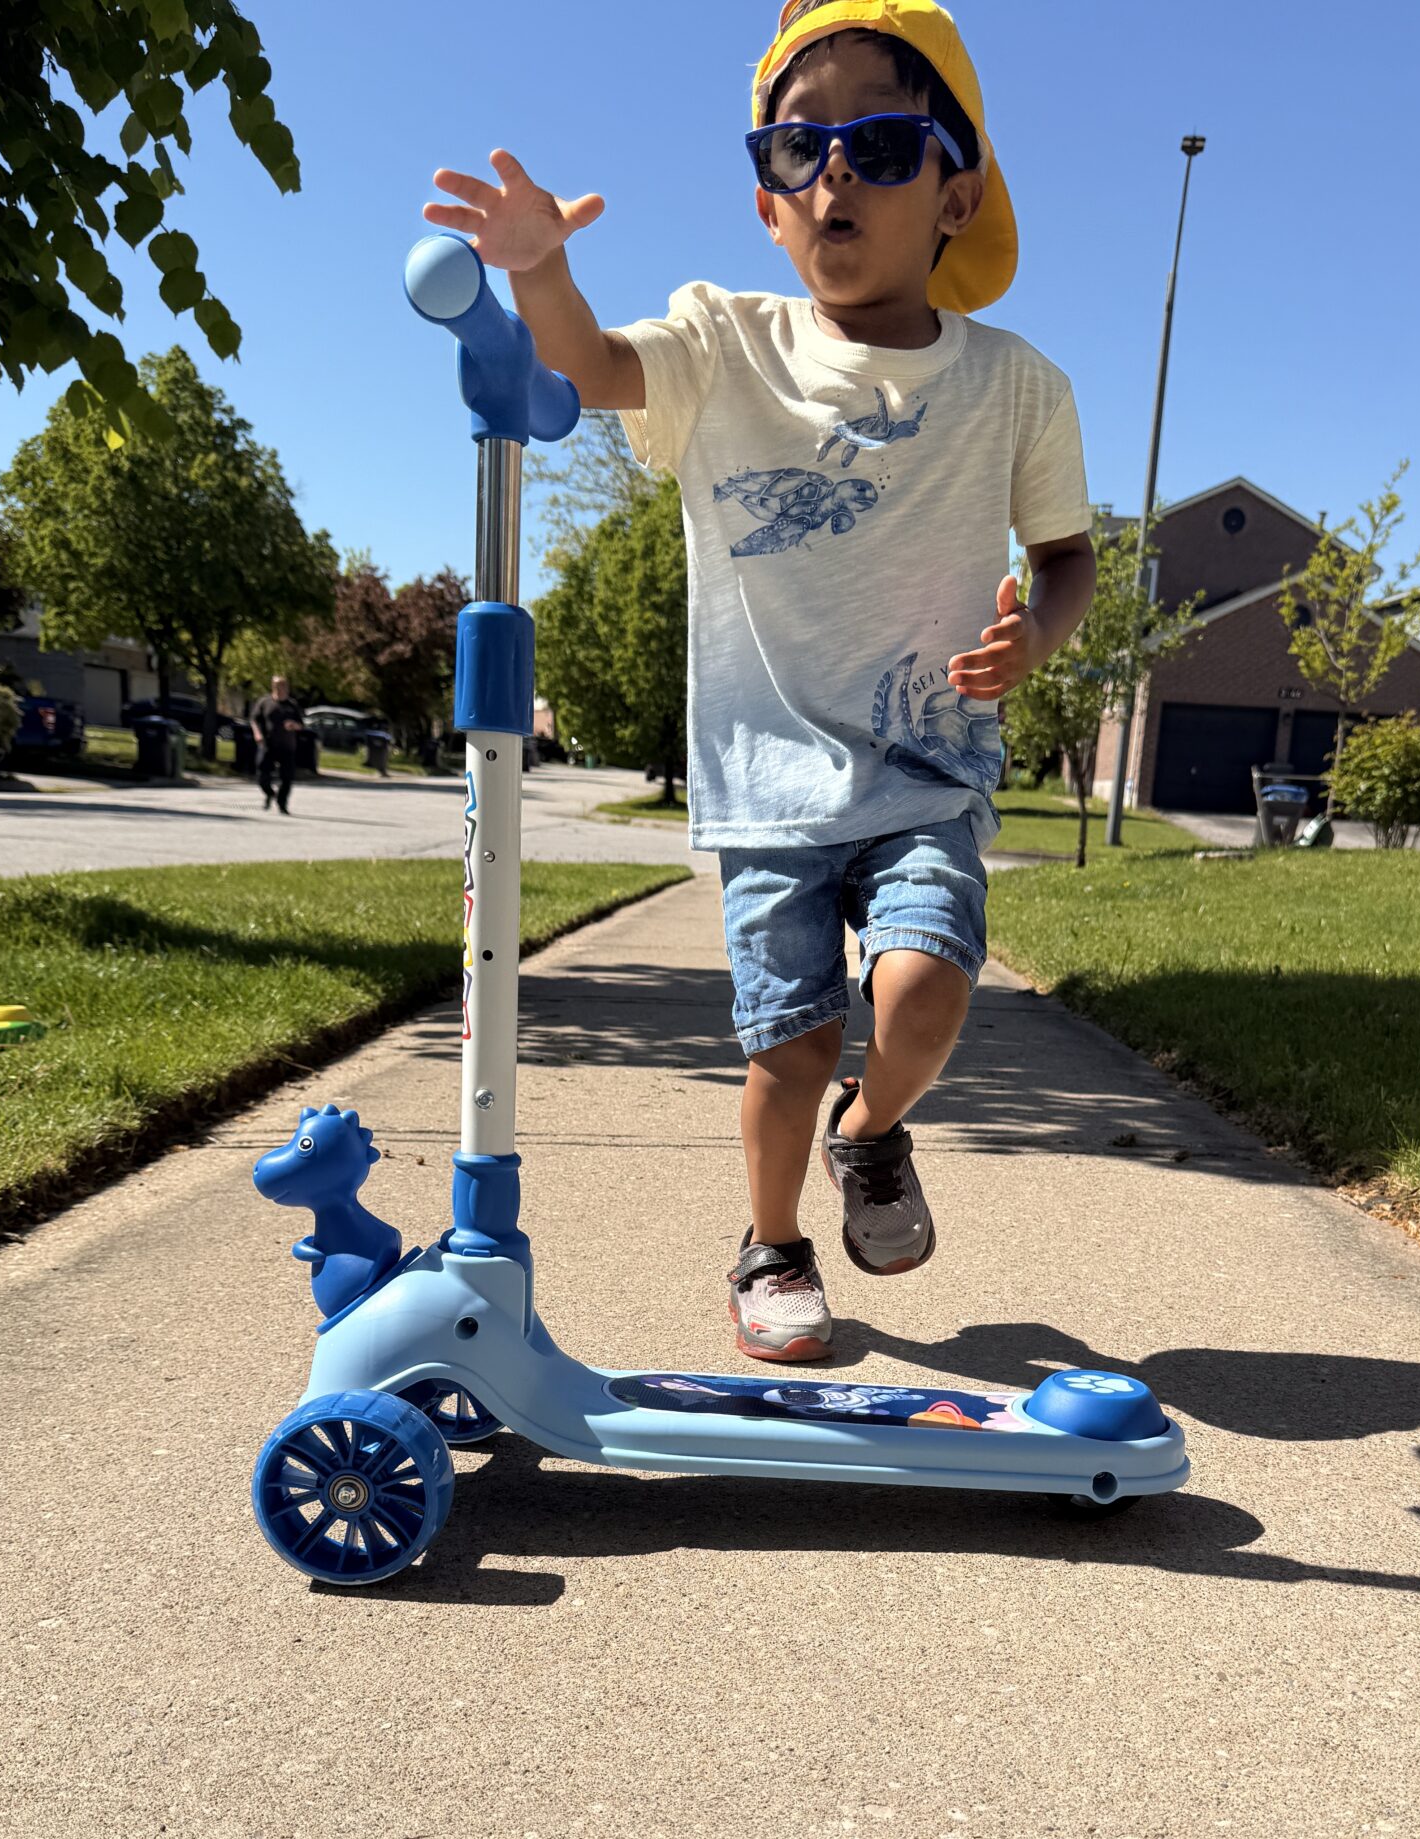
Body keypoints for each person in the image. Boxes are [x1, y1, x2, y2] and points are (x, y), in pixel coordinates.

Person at [426, 0, 1095, 1361]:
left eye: (882, 143)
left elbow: (1069, 557)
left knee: (921, 995)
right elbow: (591, 367)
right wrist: (542, 269)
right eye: (800, 149)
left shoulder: (1019, 388)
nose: (835, 172)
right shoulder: (724, 342)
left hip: (927, 770)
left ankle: (876, 1131)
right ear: (767, 200)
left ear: (956, 189)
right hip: (768, 778)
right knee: (787, 1043)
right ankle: (773, 1244)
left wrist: (1044, 635)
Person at [250, 674, 308, 813]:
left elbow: (301, 725)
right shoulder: (265, 702)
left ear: (287, 687)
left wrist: (294, 725)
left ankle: (282, 804)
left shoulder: (292, 705)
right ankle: (270, 793)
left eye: (283, 685)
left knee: (287, 777)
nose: (280, 688)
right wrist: (257, 733)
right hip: (268, 744)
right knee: (262, 775)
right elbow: (254, 719)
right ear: (273, 686)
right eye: (277, 685)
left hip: (287, 746)